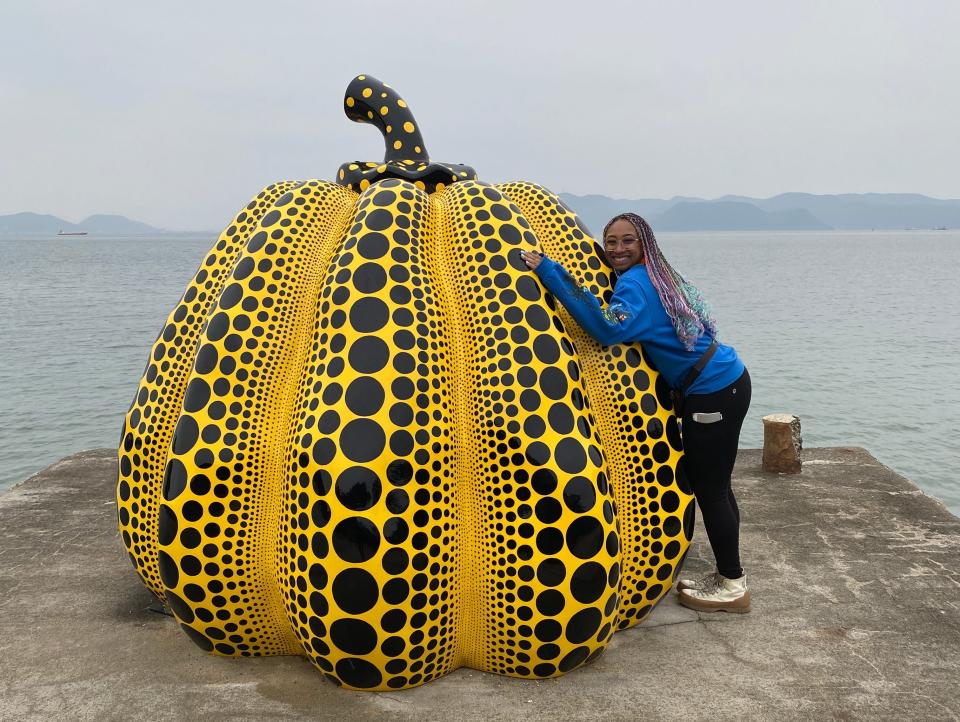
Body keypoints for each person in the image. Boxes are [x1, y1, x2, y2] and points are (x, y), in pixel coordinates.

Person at [519, 212, 752, 613]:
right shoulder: (658, 274)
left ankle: (732, 585)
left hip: (712, 391)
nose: (617, 249)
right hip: (727, 380)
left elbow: (607, 329)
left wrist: (550, 272)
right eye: (610, 242)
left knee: (710, 491)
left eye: (627, 241)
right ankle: (728, 576)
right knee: (719, 487)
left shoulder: (636, 285)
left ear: (644, 243)